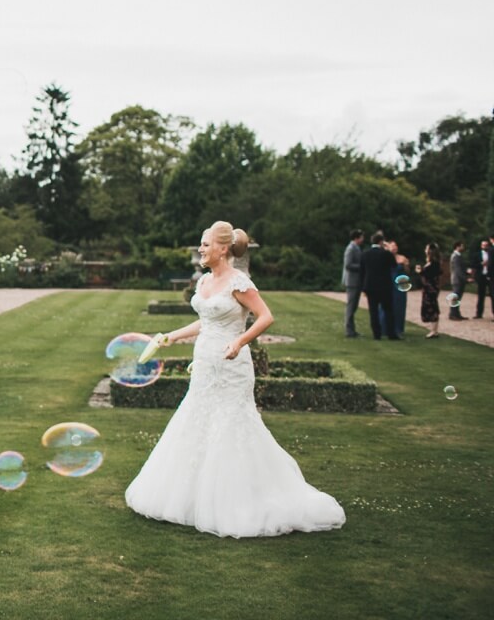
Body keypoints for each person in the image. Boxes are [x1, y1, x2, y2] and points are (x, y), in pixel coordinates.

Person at [125, 221, 345, 537]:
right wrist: (171, 336)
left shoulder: (239, 282)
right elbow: (205, 322)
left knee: (230, 426)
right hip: (204, 364)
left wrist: (239, 342)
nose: (200, 248)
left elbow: (266, 316)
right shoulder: (204, 281)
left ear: (223, 248)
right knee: (197, 421)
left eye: (205, 243)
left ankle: (236, 501)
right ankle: (191, 498)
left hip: (231, 368)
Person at [360, 231, 399, 340]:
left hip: (370, 286)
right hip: (384, 286)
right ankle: (391, 333)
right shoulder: (386, 254)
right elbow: (394, 265)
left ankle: (376, 334)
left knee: (373, 311)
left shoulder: (365, 253)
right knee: (388, 310)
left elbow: (362, 271)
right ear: (381, 242)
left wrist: (363, 286)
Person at [341, 229, 364, 338]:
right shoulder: (350, 249)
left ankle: (352, 329)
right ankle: (348, 330)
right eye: (361, 237)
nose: (362, 239)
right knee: (351, 306)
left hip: (356, 281)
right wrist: (362, 267)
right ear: (357, 238)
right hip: (352, 281)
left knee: (353, 306)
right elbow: (348, 265)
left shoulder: (356, 248)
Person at [386, 239, 410, 338]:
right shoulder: (386, 257)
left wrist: (405, 265)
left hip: (401, 283)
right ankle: (387, 327)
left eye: (395, 246)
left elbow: (408, 271)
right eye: (392, 246)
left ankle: (398, 328)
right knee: (389, 305)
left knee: (400, 305)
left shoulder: (402, 258)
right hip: (389, 282)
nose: (394, 248)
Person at [417, 243, 441, 338]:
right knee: (431, 306)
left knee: (432, 307)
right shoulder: (432, 262)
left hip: (431, 288)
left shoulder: (434, 263)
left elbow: (430, 275)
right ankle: (434, 330)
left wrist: (420, 272)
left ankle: (434, 330)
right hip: (428, 287)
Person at [448, 241, 467, 320]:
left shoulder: (458, 256)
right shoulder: (456, 256)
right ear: (457, 247)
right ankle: (453, 314)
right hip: (457, 280)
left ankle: (456, 313)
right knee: (456, 297)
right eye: (462, 246)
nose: (463, 247)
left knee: (458, 297)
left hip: (458, 279)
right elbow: (458, 270)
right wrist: (465, 278)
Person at [475, 238, 491, 319]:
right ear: (481, 246)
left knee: (492, 295)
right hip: (481, 276)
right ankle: (479, 313)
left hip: (490, 276)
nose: (485, 246)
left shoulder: (491, 253)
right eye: (483, 245)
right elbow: (474, 265)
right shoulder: (477, 254)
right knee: (481, 295)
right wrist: (481, 264)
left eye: (486, 245)